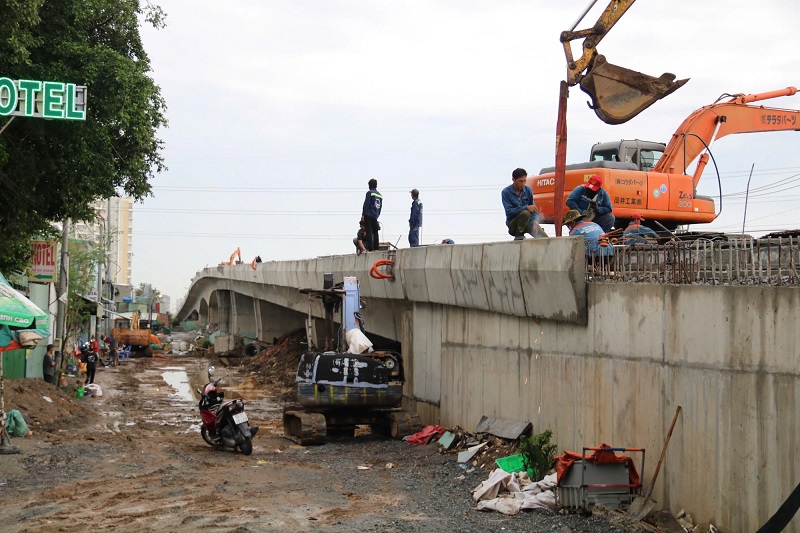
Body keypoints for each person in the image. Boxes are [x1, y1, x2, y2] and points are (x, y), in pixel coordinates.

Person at [502, 168, 540, 241]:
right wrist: (526, 207)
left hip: (528, 222)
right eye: (520, 181)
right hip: (514, 224)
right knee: (525, 213)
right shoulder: (506, 192)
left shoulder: (528, 190)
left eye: (524, 181)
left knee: (543, 237)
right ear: (513, 179)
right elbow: (509, 211)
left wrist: (535, 220)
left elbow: (533, 208)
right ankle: (519, 234)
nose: (523, 184)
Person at [361, 178, 383, 252]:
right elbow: (380, 206)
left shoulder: (369, 193)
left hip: (368, 214)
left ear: (369, 186)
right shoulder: (380, 195)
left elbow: (366, 204)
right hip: (375, 215)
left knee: (369, 231)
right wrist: (377, 214)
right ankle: (376, 248)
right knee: (375, 231)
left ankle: (370, 248)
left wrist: (363, 214)